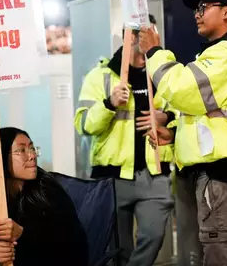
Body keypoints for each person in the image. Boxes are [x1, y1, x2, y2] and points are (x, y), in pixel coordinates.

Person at [139, 0, 227, 266]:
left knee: (222, 256)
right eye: (196, 9)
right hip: (221, 175)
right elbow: (206, 114)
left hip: (223, 177)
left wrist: (154, 53)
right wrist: (175, 134)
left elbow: (183, 89)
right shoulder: (222, 53)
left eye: (204, 7)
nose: (196, 14)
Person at [74, 15, 177, 266]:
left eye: (147, 32)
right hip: (112, 178)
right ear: (125, 37)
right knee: (118, 249)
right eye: (136, 33)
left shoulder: (166, 73)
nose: (142, 38)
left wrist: (168, 117)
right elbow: (84, 125)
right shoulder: (101, 76)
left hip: (155, 174)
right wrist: (109, 104)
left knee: (153, 235)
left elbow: (186, 116)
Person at [0, 127, 88, 266]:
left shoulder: (48, 192)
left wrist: (24, 234)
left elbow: (73, 245)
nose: (32, 155)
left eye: (32, 148)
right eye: (22, 150)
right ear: (0, 157)